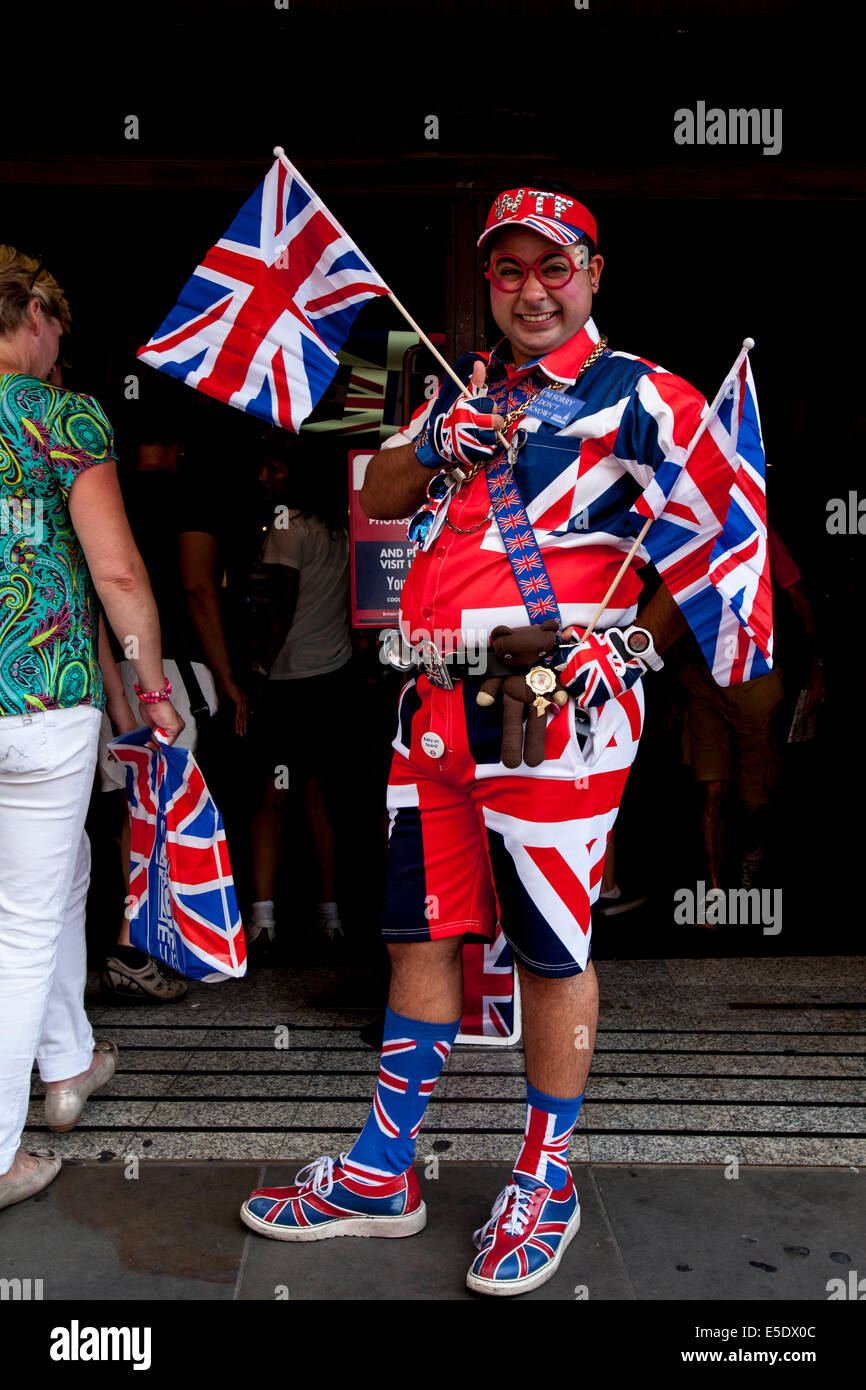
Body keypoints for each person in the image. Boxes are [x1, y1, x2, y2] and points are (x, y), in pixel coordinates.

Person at [239, 181, 749, 1295]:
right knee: (417, 936)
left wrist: (635, 648)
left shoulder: (644, 397)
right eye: (508, 270)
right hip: (430, 710)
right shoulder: (463, 389)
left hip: (553, 715)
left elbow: (712, 538)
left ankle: (545, 1175)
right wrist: (438, 436)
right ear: (488, 282)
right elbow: (377, 485)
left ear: (592, 274)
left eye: (552, 267)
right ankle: (382, 1171)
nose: (531, 289)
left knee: (550, 950)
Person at [0, 246, 184, 1210]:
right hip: (41, 699)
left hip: (47, 703)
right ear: (33, 312)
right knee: (24, 924)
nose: (60, 340)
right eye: (58, 322)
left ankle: (69, 1063)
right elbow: (116, 575)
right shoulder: (61, 415)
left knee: (62, 875)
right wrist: (152, 691)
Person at [677, 525, 826, 913]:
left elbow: (800, 603)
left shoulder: (759, 531)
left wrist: (817, 668)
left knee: (753, 800)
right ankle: (713, 890)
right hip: (703, 676)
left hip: (754, 675)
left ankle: (751, 851)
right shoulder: (687, 528)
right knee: (710, 789)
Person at [248, 437, 352, 950]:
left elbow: (280, 606)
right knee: (316, 797)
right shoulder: (339, 528)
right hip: (333, 677)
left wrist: (259, 669)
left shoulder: (287, 524)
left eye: (273, 467)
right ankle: (330, 914)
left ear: (294, 474)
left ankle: (263, 916)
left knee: (271, 796)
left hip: (290, 679)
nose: (264, 478)